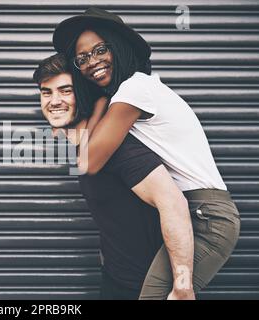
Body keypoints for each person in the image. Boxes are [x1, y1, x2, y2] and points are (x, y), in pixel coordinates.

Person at [52, 7, 241, 299]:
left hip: (207, 219)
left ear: (119, 46)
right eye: (83, 58)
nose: (93, 62)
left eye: (100, 49)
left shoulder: (134, 89)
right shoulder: (129, 92)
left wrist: (182, 283)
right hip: (197, 215)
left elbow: (91, 159)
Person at [33, 53, 197, 299]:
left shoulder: (115, 147)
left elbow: (174, 205)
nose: (54, 101)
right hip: (115, 280)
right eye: (47, 92)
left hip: (146, 287)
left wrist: (182, 287)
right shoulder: (87, 147)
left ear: (84, 94)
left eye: (65, 90)